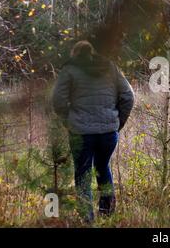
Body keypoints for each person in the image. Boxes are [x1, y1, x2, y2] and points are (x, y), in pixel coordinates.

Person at [52, 40, 134, 223]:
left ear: (75, 53)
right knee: (103, 167)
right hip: (108, 132)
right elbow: (128, 96)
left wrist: (69, 121)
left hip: (80, 132)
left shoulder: (69, 70)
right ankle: (107, 213)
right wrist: (117, 122)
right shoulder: (110, 67)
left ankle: (87, 219)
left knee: (83, 173)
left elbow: (57, 101)